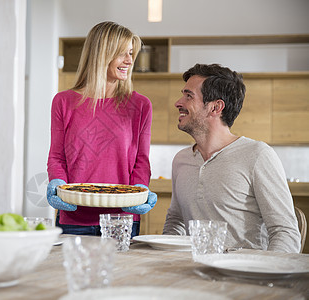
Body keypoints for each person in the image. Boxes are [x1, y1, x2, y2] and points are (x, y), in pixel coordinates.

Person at [162, 63, 301, 253]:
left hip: (245, 275)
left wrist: (263, 276)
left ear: (215, 107)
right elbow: (176, 222)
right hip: (194, 273)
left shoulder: (257, 155)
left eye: (189, 96)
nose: (178, 102)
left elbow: (285, 232)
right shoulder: (181, 160)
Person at [46, 21, 157, 237]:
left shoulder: (141, 105)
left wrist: (140, 191)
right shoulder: (63, 102)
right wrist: (56, 182)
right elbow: (57, 157)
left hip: (122, 218)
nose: (129, 60)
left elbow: (141, 161)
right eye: (122, 53)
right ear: (101, 54)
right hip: (74, 217)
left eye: (131, 53)